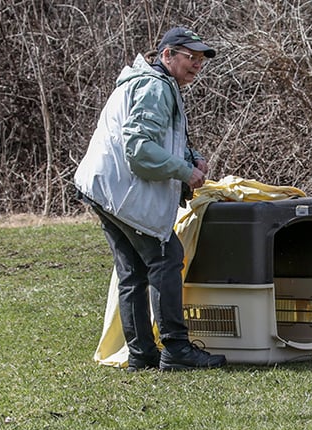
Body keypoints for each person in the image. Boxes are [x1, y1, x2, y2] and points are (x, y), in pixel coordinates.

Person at [75, 27, 226, 372]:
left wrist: (190, 157)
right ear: (167, 55)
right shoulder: (156, 86)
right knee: (166, 256)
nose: (197, 65)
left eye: (201, 60)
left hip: (102, 189)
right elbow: (139, 150)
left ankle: (142, 355)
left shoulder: (149, 82)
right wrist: (185, 173)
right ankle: (175, 350)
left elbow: (156, 139)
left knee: (132, 272)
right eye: (191, 57)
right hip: (122, 193)